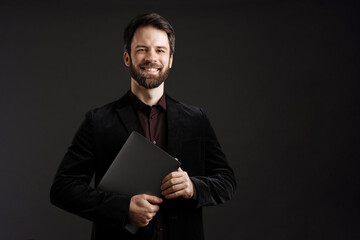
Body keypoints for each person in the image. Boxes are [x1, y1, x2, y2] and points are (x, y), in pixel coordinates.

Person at [50, 13, 236, 240]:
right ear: (127, 58)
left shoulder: (196, 119)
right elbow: (63, 189)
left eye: (160, 50)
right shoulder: (98, 121)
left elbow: (226, 181)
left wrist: (193, 187)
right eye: (142, 49)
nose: (151, 58)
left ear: (170, 60)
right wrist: (123, 208)